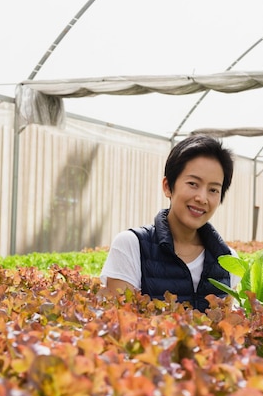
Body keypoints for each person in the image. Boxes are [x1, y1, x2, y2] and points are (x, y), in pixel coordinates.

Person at [100, 134, 240, 312]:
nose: (202, 198)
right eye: (193, 183)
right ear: (167, 186)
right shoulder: (131, 246)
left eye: (213, 189)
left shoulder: (228, 260)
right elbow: (119, 326)